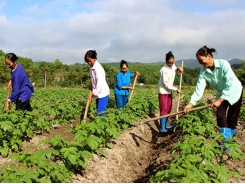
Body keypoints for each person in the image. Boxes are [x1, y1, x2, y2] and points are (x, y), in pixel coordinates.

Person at [184, 46, 243, 143]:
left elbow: (230, 83)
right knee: (220, 117)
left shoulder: (223, 64)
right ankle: (226, 141)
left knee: (232, 118)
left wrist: (220, 100)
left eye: (201, 60)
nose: (200, 63)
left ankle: (230, 139)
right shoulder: (203, 72)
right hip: (221, 92)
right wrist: (191, 103)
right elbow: (199, 89)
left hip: (234, 91)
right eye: (199, 61)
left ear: (209, 56)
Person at [158, 51, 184, 133]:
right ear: (166, 61)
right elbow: (166, 84)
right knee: (164, 109)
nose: (171, 64)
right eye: (169, 63)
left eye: (173, 63)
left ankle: (166, 125)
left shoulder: (173, 66)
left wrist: (179, 68)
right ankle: (162, 128)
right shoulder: (163, 70)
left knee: (169, 109)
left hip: (169, 91)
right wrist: (176, 89)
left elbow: (175, 69)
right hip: (163, 91)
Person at [84, 50, 110, 116]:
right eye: (87, 61)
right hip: (97, 92)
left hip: (102, 93)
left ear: (95, 58)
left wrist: (93, 95)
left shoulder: (98, 69)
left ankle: (102, 126)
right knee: (98, 111)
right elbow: (93, 81)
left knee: (100, 112)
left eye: (90, 61)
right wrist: (90, 94)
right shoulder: (91, 67)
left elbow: (100, 84)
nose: (89, 63)